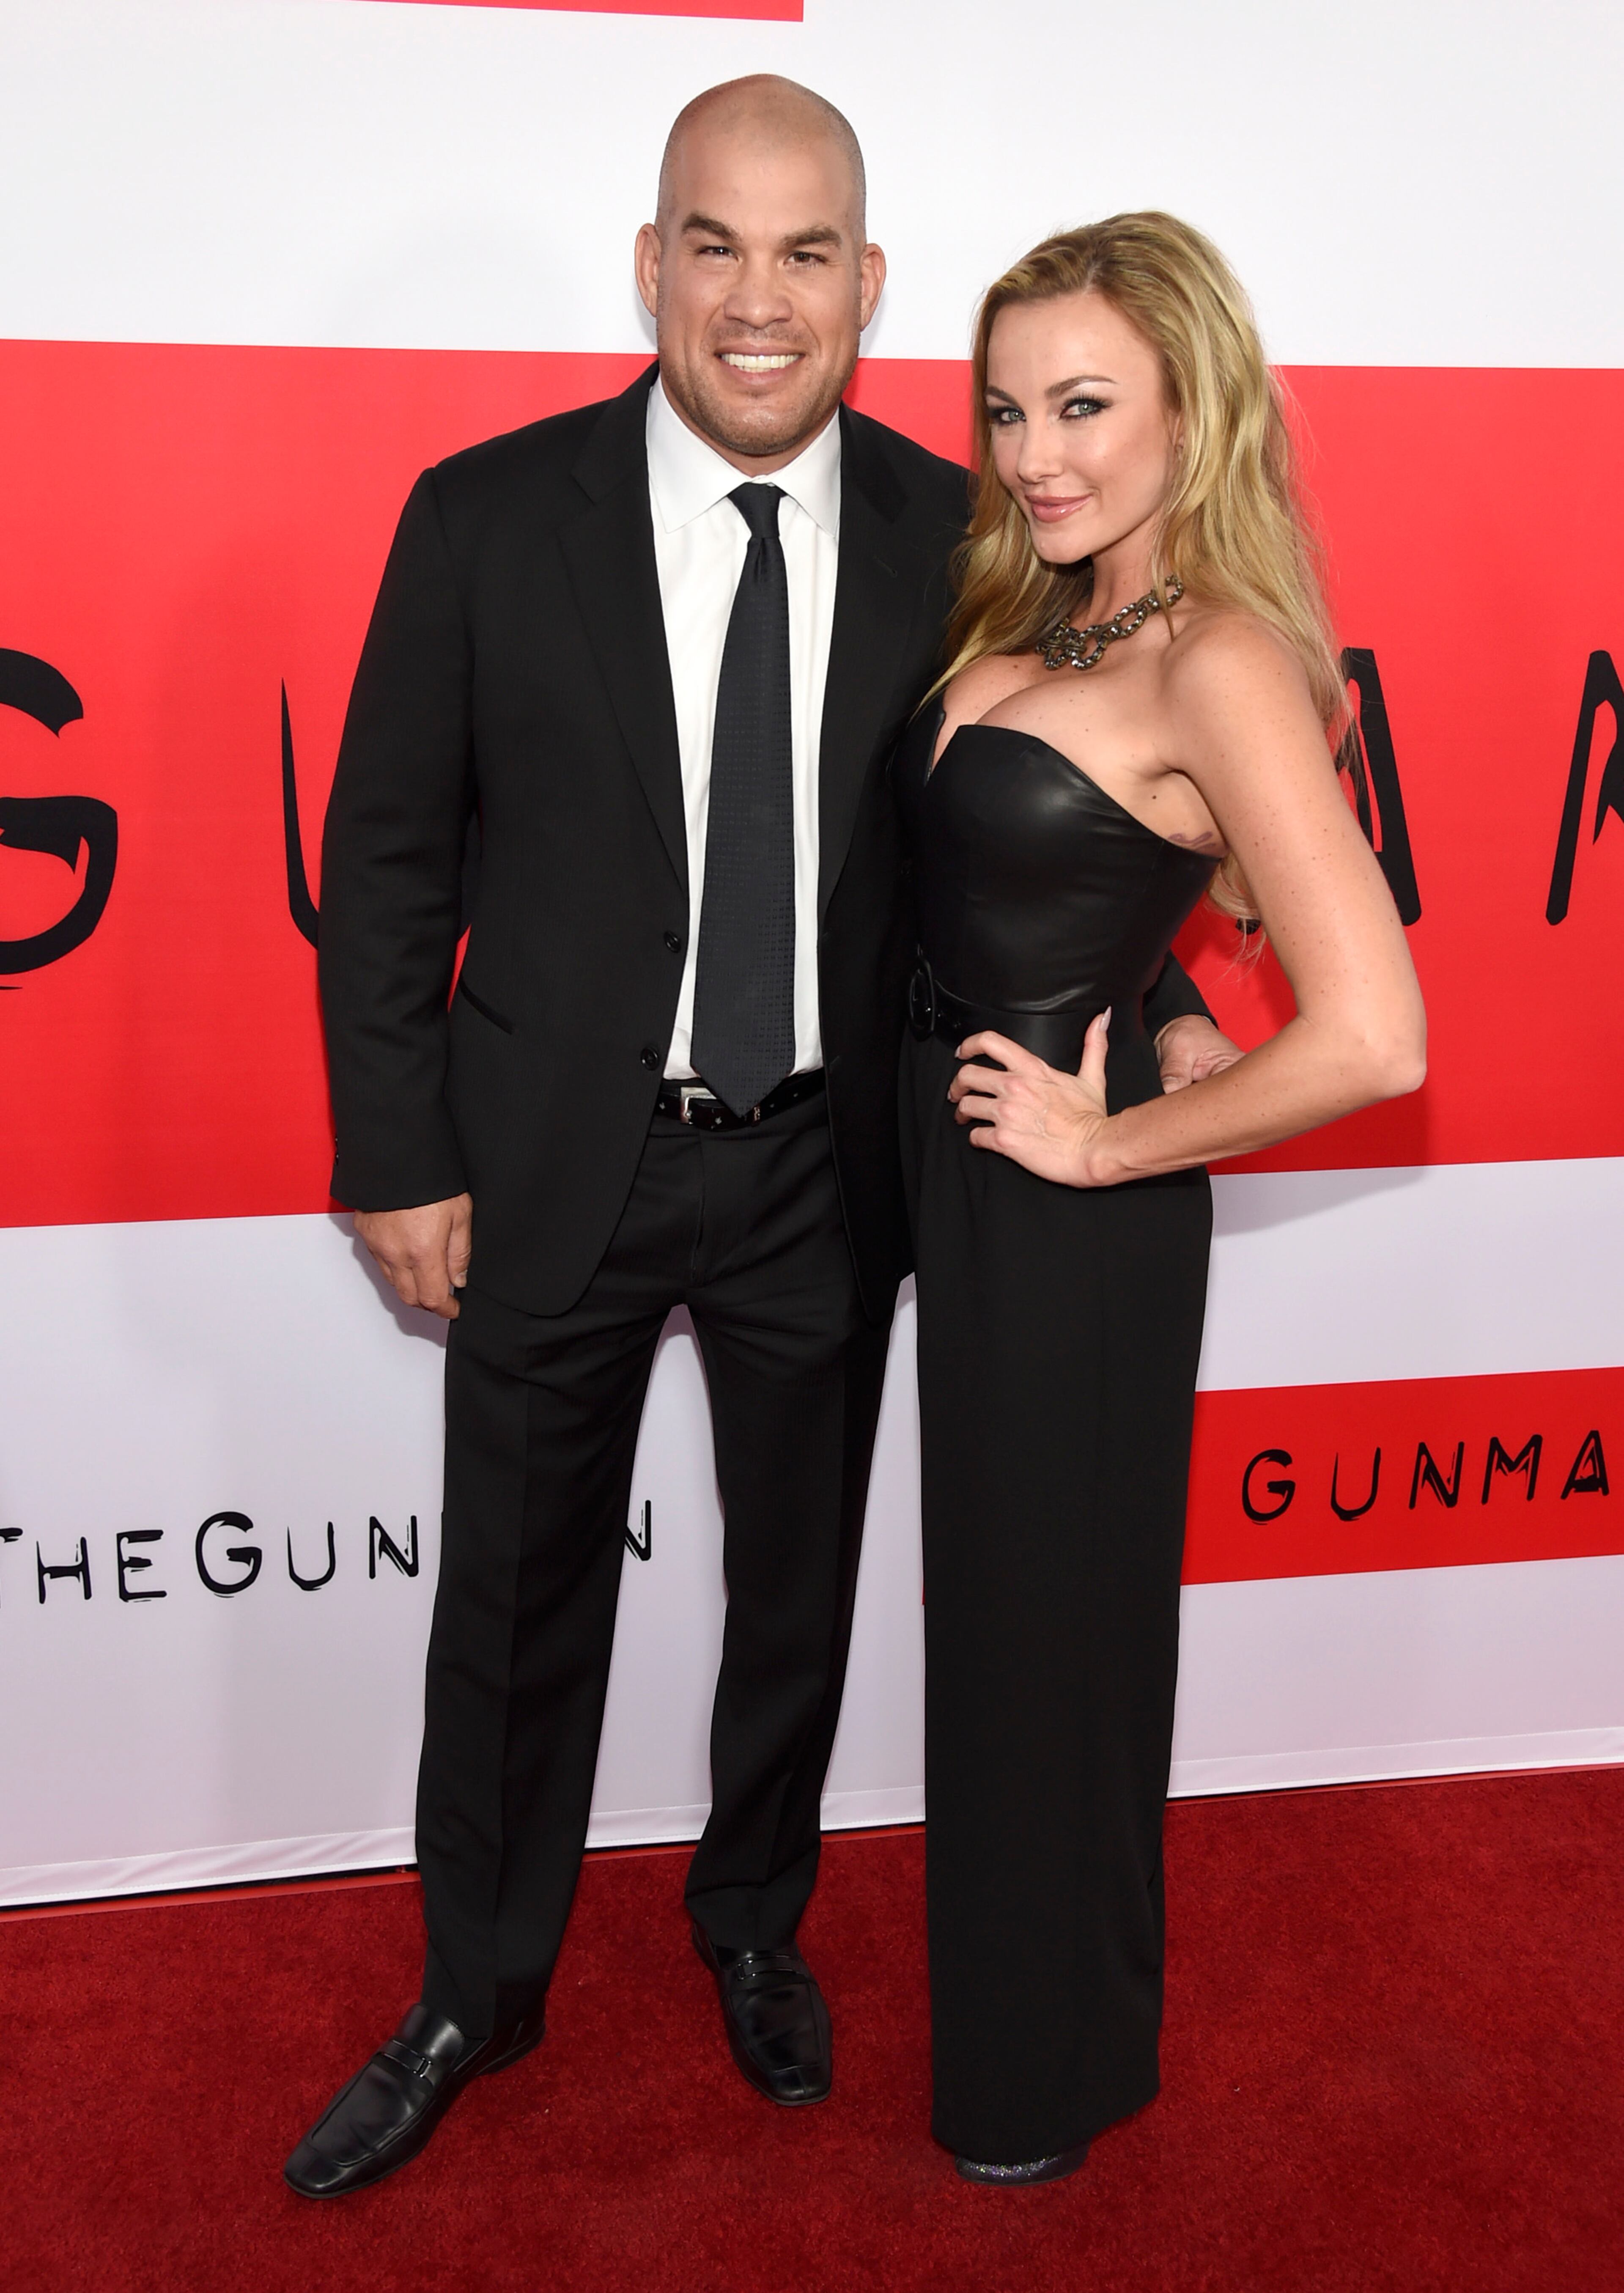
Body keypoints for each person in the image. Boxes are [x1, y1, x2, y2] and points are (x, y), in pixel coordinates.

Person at [286, 83, 1231, 2200]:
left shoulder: (962, 538)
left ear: (869, 287)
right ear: (649, 266)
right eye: (714, 244)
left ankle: (750, 1921)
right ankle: (476, 1988)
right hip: (548, 1160)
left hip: (827, 1166)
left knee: (794, 1596)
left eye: (808, 254)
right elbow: (385, 866)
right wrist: (394, 1149)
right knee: (515, 1606)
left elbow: (1038, 841)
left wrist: (1154, 999)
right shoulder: (481, 517)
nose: (758, 298)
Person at [897, 213, 1426, 2186]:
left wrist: (1112, 1137)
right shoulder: (1051, 616)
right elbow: (1111, 873)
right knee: (1017, 1637)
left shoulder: (1215, 654)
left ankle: (1038, 2080)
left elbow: (1376, 1033)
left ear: (1193, 406)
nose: (1038, 450)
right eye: (1011, 406)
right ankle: (1061, 2023)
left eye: (1089, 405)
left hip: (1069, 1219)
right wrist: (1176, 992)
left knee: (1051, 1647)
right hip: (954, 1163)